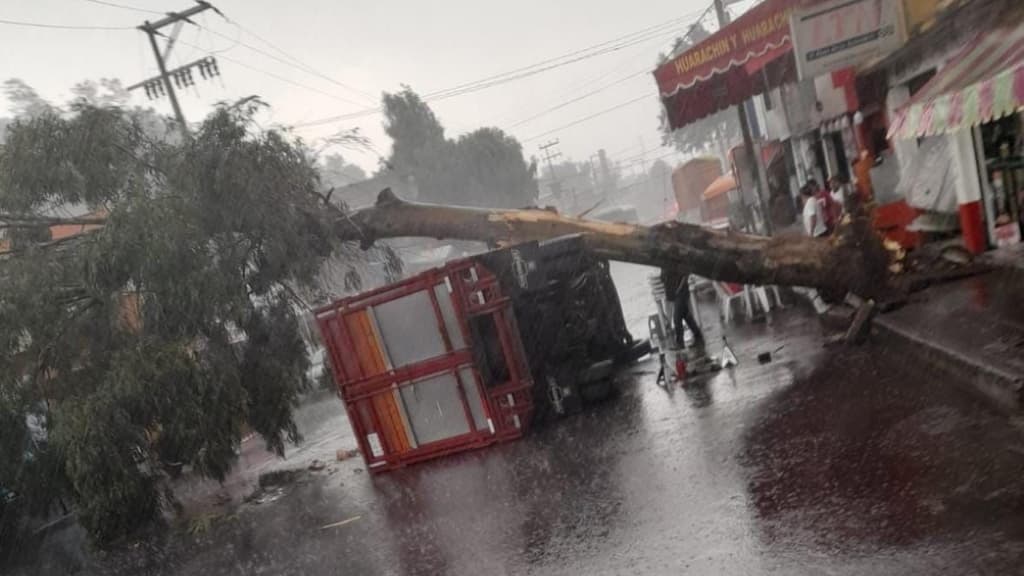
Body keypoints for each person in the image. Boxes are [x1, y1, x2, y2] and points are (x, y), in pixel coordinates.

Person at [660, 266, 704, 349]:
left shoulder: (675, 260)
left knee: (677, 318)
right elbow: (662, 278)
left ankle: (680, 343)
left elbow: (685, 274)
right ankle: (698, 336)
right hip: (673, 294)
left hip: (681, 292)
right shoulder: (663, 264)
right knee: (686, 315)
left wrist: (678, 289)